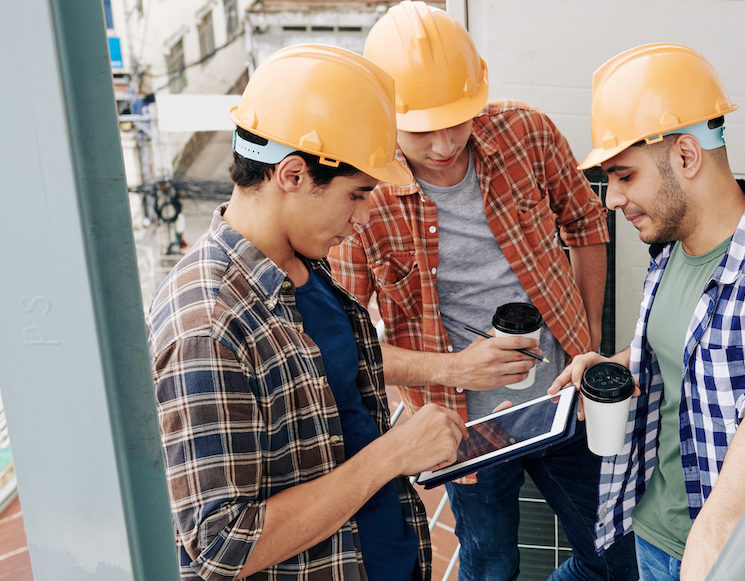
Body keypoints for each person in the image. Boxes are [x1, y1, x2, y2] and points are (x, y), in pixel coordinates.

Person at [328, 3, 634, 579]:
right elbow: (347, 347)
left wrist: (586, 338)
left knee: (617, 558)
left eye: (457, 120)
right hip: (461, 429)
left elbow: (588, 226)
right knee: (491, 568)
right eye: (421, 130)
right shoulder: (360, 196)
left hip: (563, 398)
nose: (444, 144)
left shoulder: (528, 134)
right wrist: (454, 370)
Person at [147, 44, 466, 581]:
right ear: (292, 175)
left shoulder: (303, 264)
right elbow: (223, 547)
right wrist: (391, 455)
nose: (365, 215)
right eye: (357, 194)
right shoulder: (207, 325)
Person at [553, 43, 745, 581]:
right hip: (655, 535)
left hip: (738, 559)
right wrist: (621, 364)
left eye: (624, 176)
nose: (610, 200)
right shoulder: (672, 245)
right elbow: (689, 353)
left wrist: (717, 532)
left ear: (687, 157)